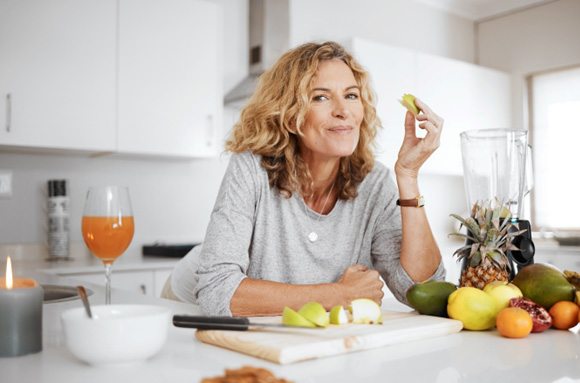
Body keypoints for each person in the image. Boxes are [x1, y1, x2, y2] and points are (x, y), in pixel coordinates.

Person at [169, 41, 445, 316]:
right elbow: (216, 290)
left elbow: (423, 291)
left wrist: (408, 177)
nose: (343, 110)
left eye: (351, 95)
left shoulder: (374, 183)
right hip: (185, 303)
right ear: (290, 117)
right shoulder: (250, 168)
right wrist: (339, 294)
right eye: (320, 97)